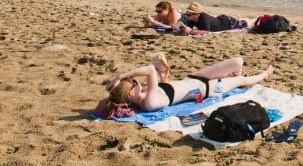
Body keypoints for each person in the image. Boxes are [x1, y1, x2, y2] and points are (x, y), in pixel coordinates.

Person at [101, 56, 276, 113]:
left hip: (196, 77)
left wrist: (164, 76)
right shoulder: (148, 102)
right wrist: (120, 76)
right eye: (133, 83)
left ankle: (237, 82)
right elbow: (149, 70)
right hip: (208, 89)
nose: (136, 82)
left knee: (238, 61)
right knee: (242, 80)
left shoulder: (145, 95)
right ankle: (265, 74)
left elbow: (166, 88)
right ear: (130, 94)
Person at [178, 2, 248, 35]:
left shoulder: (203, 18)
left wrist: (191, 31)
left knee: (244, 23)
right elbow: (189, 28)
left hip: (228, 23)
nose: (187, 15)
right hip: (218, 20)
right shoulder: (192, 19)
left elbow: (206, 32)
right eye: (187, 13)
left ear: (197, 14)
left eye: (189, 14)